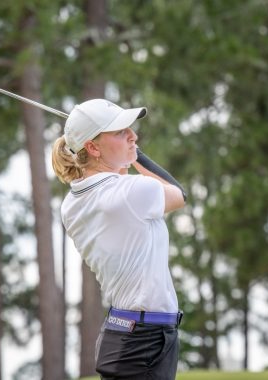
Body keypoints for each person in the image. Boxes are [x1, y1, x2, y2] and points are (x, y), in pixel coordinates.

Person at [51, 98, 186, 380]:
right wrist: (136, 156)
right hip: (145, 340)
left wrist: (122, 154)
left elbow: (111, 177)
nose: (133, 136)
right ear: (92, 147)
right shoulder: (130, 194)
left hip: (129, 335)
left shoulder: (72, 204)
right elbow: (178, 194)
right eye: (120, 132)